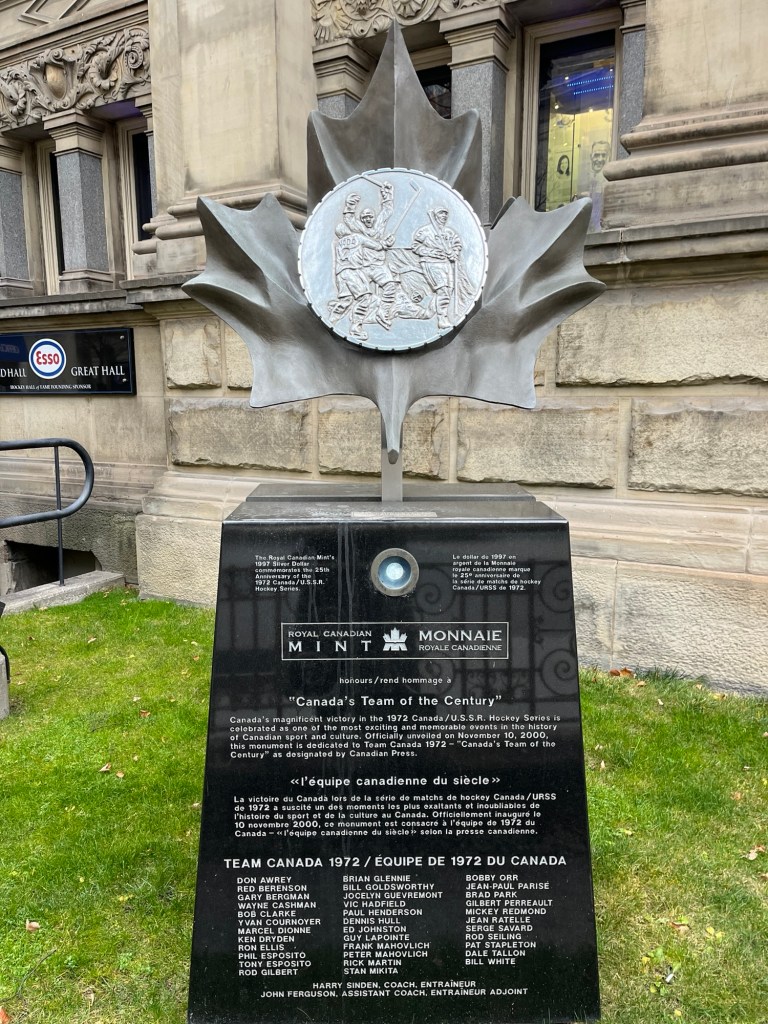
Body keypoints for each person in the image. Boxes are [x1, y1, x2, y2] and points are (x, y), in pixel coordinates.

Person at [411, 207, 473, 330]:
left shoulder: (449, 232)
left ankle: (429, 313)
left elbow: (457, 244)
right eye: (441, 213)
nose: (444, 216)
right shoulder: (425, 231)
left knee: (448, 290)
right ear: (435, 216)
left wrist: (454, 253)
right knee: (443, 290)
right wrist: (430, 252)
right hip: (431, 263)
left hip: (446, 263)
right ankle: (442, 319)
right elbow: (415, 246)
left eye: (445, 214)